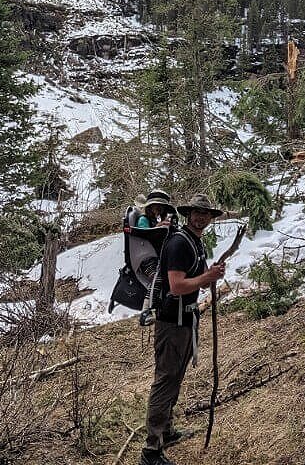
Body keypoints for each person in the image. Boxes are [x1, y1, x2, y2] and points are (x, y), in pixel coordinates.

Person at [139, 194, 225, 465]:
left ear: (211, 218)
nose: (201, 217)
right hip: (171, 322)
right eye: (197, 212)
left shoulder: (195, 242)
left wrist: (208, 276)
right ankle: (150, 451)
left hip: (186, 320)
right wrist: (207, 278)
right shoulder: (179, 243)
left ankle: (166, 431)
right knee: (165, 381)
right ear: (189, 214)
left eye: (206, 213)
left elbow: (195, 283)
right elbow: (176, 286)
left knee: (175, 378)